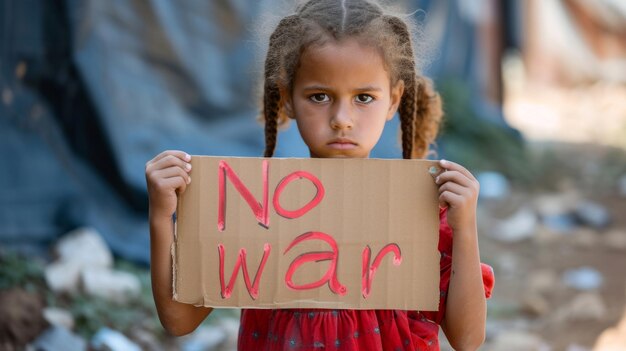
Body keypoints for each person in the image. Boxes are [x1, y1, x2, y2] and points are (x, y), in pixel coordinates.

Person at [145, 0, 494, 350]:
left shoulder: (420, 212)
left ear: (393, 100)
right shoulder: (252, 211)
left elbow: (466, 339)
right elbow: (179, 320)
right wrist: (162, 215)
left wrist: (465, 227)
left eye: (364, 97)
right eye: (320, 96)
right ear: (288, 100)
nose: (342, 117)